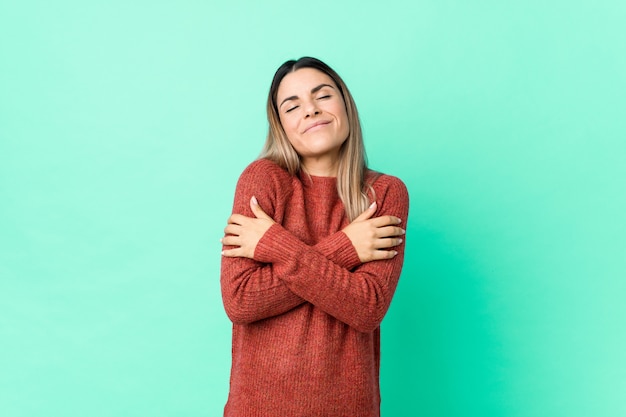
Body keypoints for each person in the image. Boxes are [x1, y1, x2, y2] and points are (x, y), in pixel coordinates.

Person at [220, 57, 409, 417]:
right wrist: (346, 247)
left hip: (348, 407)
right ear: (282, 126)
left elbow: (367, 308)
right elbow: (241, 301)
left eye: (322, 96)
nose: (310, 110)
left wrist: (273, 243)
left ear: (345, 105)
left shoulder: (384, 193)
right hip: (257, 407)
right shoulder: (262, 179)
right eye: (292, 106)